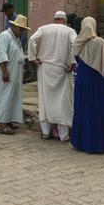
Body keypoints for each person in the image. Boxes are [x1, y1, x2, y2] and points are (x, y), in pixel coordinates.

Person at [28, 11, 78, 141]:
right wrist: (72, 61)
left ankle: (46, 132)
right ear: (64, 20)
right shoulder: (70, 31)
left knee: (45, 101)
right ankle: (63, 135)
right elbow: (76, 44)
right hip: (63, 69)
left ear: (54, 19)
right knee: (63, 103)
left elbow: (32, 39)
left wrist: (33, 58)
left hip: (45, 69)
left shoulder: (44, 29)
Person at [69, 16, 104, 153]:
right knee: (98, 110)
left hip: (82, 81)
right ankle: (100, 143)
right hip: (98, 82)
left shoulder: (77, 43)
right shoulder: (101, 43)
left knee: (83, 109)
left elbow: (75, 59)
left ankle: (82, 142)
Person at [0, 14, 29, 135]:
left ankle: (9, 120)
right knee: (4, 98)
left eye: (23, 29)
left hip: (15, 74)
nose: (22, 31)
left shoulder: (16, 39)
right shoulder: (5, 36)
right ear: (14, 26)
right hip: (6, 73)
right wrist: (5, 72)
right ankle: (3, 124)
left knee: (12, 97)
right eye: (20, 28)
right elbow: (1, 54)